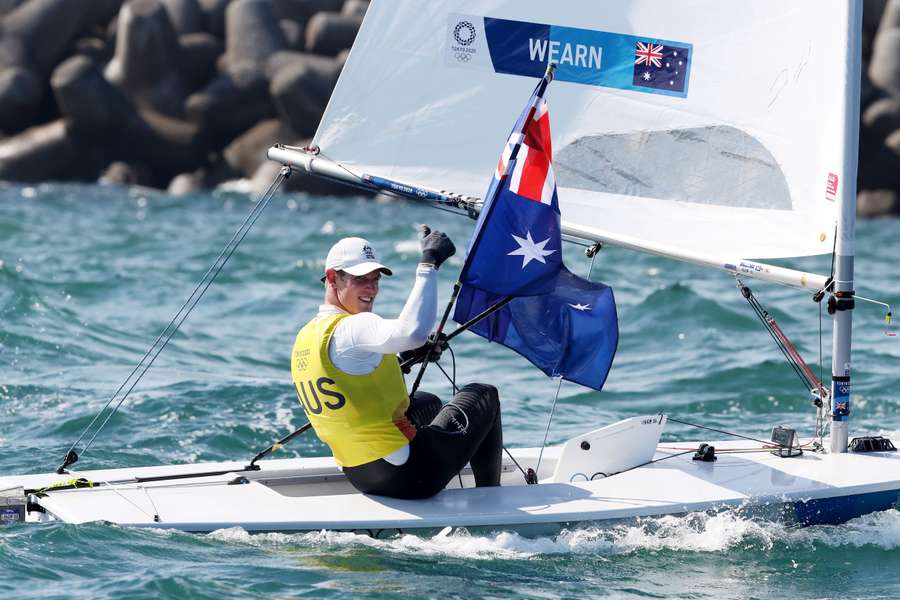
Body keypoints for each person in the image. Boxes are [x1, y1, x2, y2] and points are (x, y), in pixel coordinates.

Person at [290, 227, 502, 499]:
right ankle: (490, 497)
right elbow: (412, 331)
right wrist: (429, 263)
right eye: (361, 279)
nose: (371, 288)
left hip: (361, 474)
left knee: (428, 403)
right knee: (484, 394)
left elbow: (353, 379)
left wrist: (404, 357)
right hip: (409, 477)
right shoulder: (353, 327)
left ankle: (426, 448)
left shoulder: (308, 335)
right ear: (332, 278)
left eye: (375, 279)